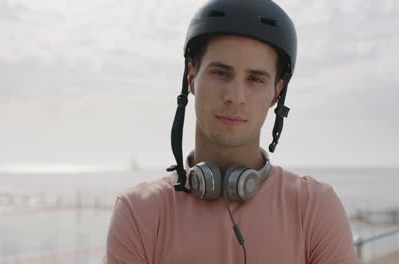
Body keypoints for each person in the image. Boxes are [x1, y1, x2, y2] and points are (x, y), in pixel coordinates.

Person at [105, 0, 360, 263]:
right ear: (192, 78)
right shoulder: (138, 212)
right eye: (221, 73)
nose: (235, 96)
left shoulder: (315, 208)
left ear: (276, 93)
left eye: (255, 79)